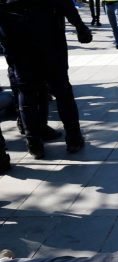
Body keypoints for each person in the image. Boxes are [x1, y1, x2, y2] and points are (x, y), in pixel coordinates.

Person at [0, 0, 92, 158]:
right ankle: (73, 138)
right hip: (48, 37)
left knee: (27, 93)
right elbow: (64, 3)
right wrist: (80, 27)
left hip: (19, 42)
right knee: (62, 91)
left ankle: (34, 143)